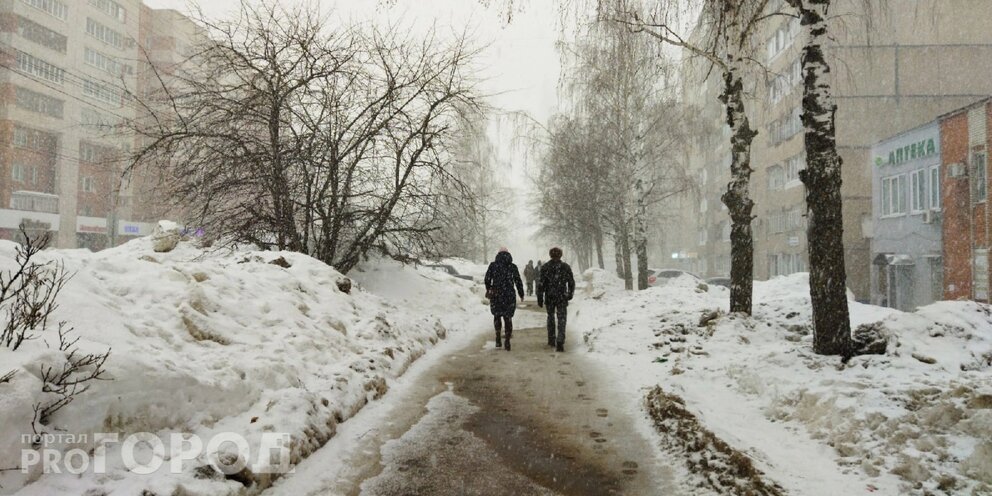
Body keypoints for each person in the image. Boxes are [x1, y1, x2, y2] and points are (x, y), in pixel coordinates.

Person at [484, 249, 525, 351]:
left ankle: (498, 337)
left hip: (496, 294)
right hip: (509, 294)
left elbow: (487, 279)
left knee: (497, 316)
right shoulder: (512, 266)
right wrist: (521, 293)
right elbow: (518, 281)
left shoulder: (493, 265)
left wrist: (489, 288)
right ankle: (507, 339)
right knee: (508, 317)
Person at [536, 247, 575, 352]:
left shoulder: (545, 267)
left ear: (550, 255)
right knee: (562, 318)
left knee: (550, 317)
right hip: (562, 296)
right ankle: (560, 340)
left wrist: (540, 297)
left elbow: (541, 284)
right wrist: (570, 294)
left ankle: (551, 339)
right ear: (560, 255)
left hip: (550, 296)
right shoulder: (565, 267)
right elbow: (571, 282)